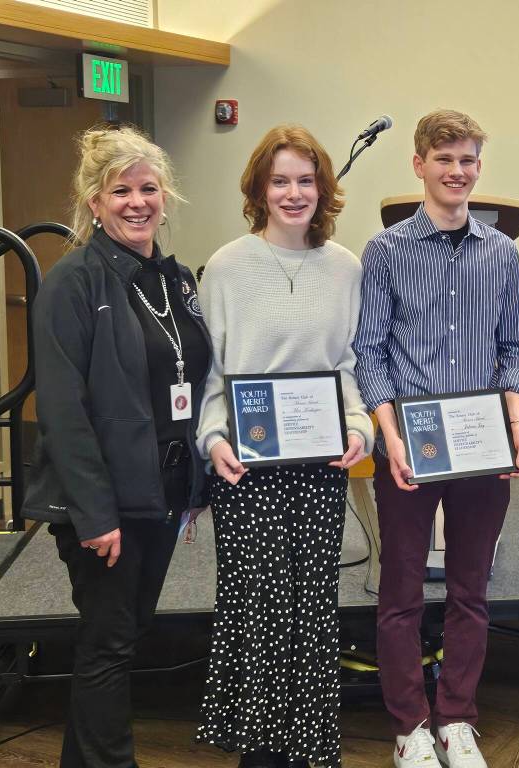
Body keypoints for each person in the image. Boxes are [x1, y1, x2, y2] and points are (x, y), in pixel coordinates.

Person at [22, 125, 211, 768]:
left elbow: (186, 381)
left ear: (167, 196)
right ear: (94, 203)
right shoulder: (72, 282)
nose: (137, 202)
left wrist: (189, 488)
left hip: (158, 492)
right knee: (107, 646)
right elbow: (63, 411)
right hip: (104, 506)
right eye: (120, 191)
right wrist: (95, 515)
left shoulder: (176, 279)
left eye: (148, 189)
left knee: (123, 638)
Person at [352, 109, 519, 768]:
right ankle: (409, 726)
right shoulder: (386, 251)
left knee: (470, 591)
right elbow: (369, 351)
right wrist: (388, 435)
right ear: (419, 164)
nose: (458, 172)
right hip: (410, 444)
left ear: (478, 167)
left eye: (468, 161)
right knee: (399, 592)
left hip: (483, 441)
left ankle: (456, 717)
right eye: (445, 159)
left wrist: (517, 424)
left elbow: (514, 346)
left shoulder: (503, 253)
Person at [194, 124, 373, 768]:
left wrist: (359, 428)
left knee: (312, 604)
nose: (293, 193)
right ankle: (261, 754)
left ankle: (310, 750)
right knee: (257, 607)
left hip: (320, 465)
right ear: (259, 190)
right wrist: (213, 437)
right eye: (280, 181)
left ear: (323, 188)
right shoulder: (227, 265)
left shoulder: (347, 268)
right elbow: (211, 372)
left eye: (305, 180)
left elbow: (349, 366)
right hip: (247, 469)